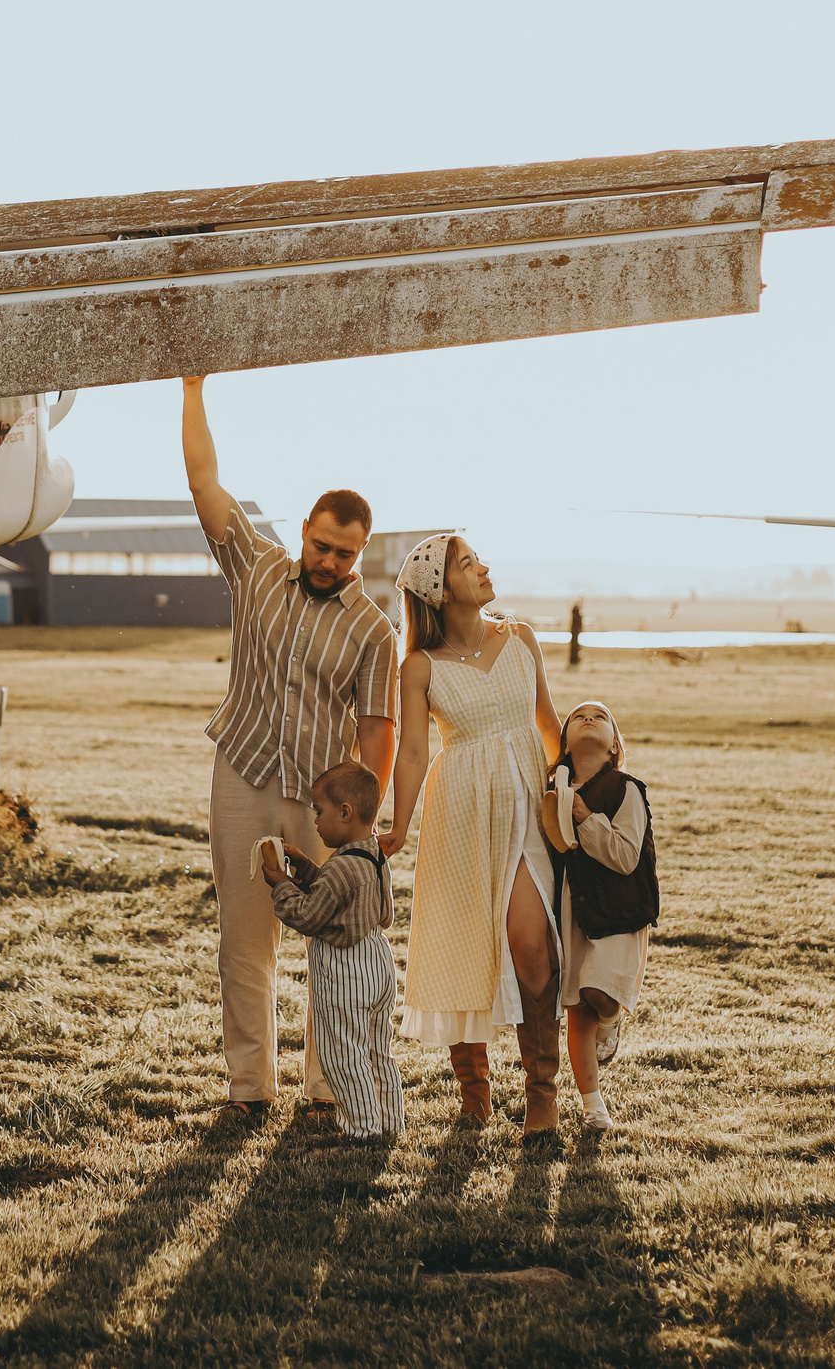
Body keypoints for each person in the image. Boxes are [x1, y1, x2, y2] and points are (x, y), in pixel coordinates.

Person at [182, 375, 399, 1123]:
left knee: (331, 943)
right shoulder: (257, 567)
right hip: (241, 771)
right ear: (303, 526)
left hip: (323, 798)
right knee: (244, 935)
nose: (329, 561)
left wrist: (367, 819)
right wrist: (192, 386)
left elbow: (376, 726)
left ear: (359, 551)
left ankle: (325, 1086)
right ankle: (250, 1088)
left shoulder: (374, 629)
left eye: (345, 553)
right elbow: (205, 481)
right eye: (321, 544)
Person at [381, 533, 565, 1134]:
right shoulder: (418, 667)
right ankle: (475, 1093)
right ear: (439, 589)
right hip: (460, 810)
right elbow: (411, 751)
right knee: (464, 943)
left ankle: (542, 1093)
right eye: (468, 564)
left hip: (527, 806)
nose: (484, 568)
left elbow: (546, 722)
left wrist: (578, 789)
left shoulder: (519, 637)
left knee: (531, 940)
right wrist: (398, 823)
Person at [259, 761, 406, 1141]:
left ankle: (361, 1130)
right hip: (378, 961)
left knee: (344, 1055)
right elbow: (380, 911)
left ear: (345, 812)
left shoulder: (340, 868)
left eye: (319, 812)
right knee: (377, 1051)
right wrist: (305, 867)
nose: (314, 821)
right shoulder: (374, 855)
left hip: (346, 970)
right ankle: (389, 1121)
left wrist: (280, 885)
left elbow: (308, 916)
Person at [543, 700, 656, 1135]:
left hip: (618, 911)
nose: (589, 718)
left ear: (614, 747)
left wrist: (586, 819)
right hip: (573, 913)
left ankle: (612, 1018)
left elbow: (627, 855)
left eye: (601, 716)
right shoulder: (554, 788)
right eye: (578, 716)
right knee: (576, 1008)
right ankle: (594, 1108)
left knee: (598, 995)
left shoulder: (626, 789)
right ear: (566, 743)